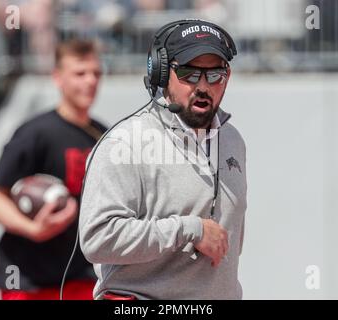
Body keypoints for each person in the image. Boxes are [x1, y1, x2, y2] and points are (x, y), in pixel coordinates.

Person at [79, 19, 247, 300]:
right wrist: (189, 229)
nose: (203, 86)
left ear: (227, 76)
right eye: (189, 74)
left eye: (214, 74)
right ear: (161, 74)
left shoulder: (232, 141)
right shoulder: (125, 142)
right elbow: (98, 238)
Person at [0, 39, 107, 300]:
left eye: (96, 73)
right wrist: (33, 229)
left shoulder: (105, 135)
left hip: (83, 276)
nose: (90, 81)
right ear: (58, 78)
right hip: (29, 280)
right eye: (80, 73)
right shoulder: (35, 133)